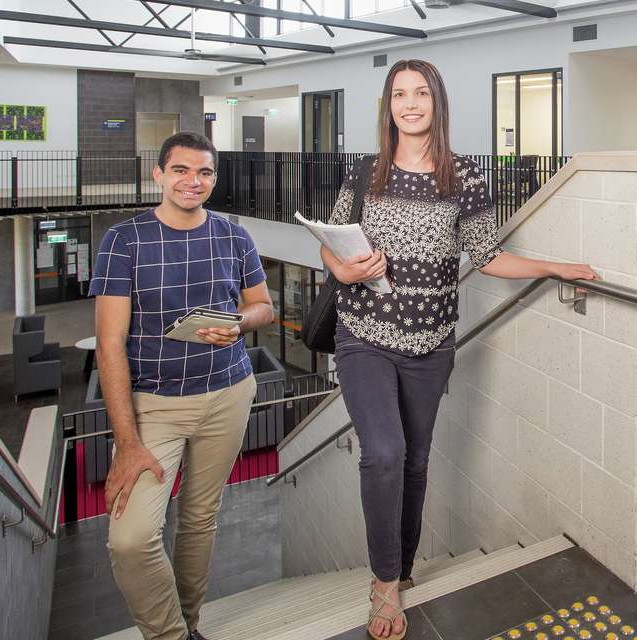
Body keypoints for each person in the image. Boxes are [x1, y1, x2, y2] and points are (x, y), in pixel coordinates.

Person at [322, 60, 596, 640]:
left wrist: (554, 266)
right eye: (400, 94)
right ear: (388, 105)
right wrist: (342, 268)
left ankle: (403, 563)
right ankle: (384, 583)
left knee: (416, 461)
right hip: (363, 335)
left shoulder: (465, 177)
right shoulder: (364, 171)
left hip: (430, 344)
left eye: (421, 93)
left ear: (437, 103)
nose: (410, 104)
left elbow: (487, 255)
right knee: (385, 453)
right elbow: (331, 242)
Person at [90, 131, 274, 640]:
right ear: (159, 174)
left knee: (199, 519)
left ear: (214, 178)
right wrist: (127, 442)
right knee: (131, 539)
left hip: (228, 393)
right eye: (181, 170)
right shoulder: (124, 241)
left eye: (205, 172)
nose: (194, 181)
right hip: (154, 406)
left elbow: (263, 306)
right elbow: (109, 344)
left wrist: (239, 323)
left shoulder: (234, 236)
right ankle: (168, 634)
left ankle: (190, 626)